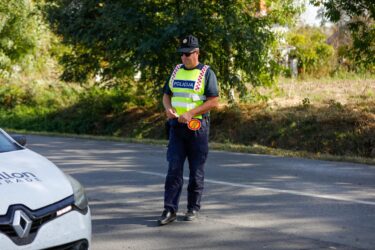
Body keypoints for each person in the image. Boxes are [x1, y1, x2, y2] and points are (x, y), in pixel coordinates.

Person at [158, 35, 219, 226]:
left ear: (197, 52)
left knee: (196, 171)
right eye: (182, 54)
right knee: (173, 169)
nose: (184, 58)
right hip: (176, 128)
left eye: (187, 54)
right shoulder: (176, 71)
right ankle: (170, 209)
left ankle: (193, 207)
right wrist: (167, 108)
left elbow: (213, 101)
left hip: (197, 128)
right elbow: (166, 95)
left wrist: (192, 113)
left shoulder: (207, 73)